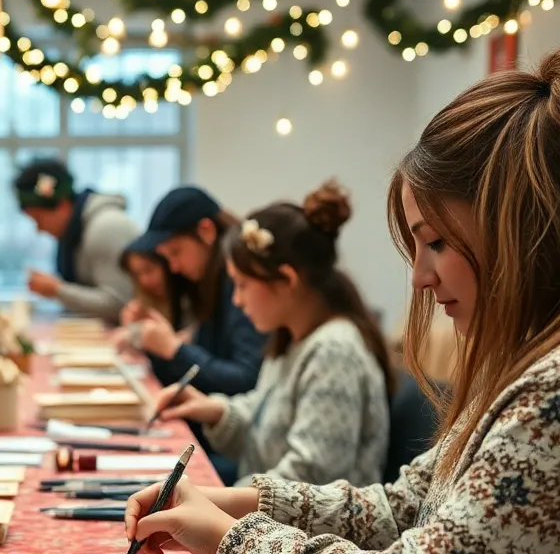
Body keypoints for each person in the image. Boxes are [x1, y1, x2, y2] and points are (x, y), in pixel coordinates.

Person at [124, 52, 560, 554]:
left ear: (519, 230)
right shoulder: (516, 373)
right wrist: (243, 498)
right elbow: (403, 506)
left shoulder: (547, 402)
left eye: (437, 244)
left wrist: (234, 538)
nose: (419, 277)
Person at [148, 182, 392, 487]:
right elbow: (264, 414)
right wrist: (213, 411)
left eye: (243, 286)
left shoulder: (334, 352)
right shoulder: (294, 340)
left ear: (286, 280)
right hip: (273, 526)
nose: (236, 300)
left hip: (302, 533)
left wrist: (217, 501)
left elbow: (310, 480)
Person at [122, 185, 266, 397]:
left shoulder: (238, 284)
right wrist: (160, 343)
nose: (174, 267)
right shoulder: (207, 279)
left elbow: (246, 379)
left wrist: (173, 349)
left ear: (206, 231)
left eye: (176, 252)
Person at [12, 158, 136, 324]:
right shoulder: (73, 235)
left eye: (39, 219)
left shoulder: (105, 228)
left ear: (62, 206)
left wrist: (58, 290)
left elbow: (121, 304)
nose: (39, 229)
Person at [118, 245, 190, 332]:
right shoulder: (141, 302)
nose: (144, 280)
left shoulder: (189, 298)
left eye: (149, 269)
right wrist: (132, 329)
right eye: (137, 274)